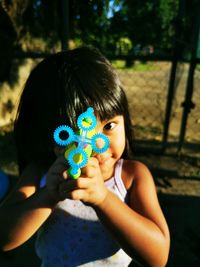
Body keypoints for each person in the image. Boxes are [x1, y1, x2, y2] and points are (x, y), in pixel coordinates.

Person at [0, 46, 170, 267]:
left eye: (109, 125)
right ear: (51, 136)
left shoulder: (131, 176)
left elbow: (158, 257)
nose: (97, 145)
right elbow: (4, 238)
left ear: (124, 119)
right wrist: (49, 195)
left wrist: (103, 199)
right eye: (76, 134)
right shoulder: (40, 173)